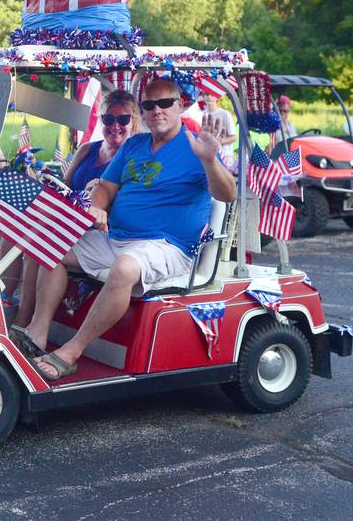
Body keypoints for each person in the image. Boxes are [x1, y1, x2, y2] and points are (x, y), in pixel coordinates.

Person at [21, 78, 237, 380]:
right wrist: (97, 205)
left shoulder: (195, 147)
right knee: (52, 245)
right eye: (149, 105)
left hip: (169, 246)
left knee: (124, 267)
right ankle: (38, 333)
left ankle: (71, 351)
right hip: (119, 238)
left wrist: (210, 160)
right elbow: (107, 187)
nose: (157, 110)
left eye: (165, 103)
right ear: (143, 111)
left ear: (180, 105)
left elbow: (227, 194)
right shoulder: (134, 145)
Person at [10, 90, 139, 332]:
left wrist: (97, 197)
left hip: (99, 230)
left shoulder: (133, 157)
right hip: (69, 220)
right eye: (108, 119)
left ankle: (23, 319)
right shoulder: (87, 150)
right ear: (101, 120)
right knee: (16, 229)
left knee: (36, 246)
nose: (115, 126)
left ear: (134, 121)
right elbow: (64, 188)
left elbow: (122, 205)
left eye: (123, 120)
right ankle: (9, 303)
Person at [202, 93, 237, 166]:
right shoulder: (202, 114)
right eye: (206, 94)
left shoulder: (225, 114)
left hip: (225, 156)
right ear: (203, 97)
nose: (209, 97)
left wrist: (217, 142)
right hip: (208, 156)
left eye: (212, 94)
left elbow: (234, 137)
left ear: (217, 97)